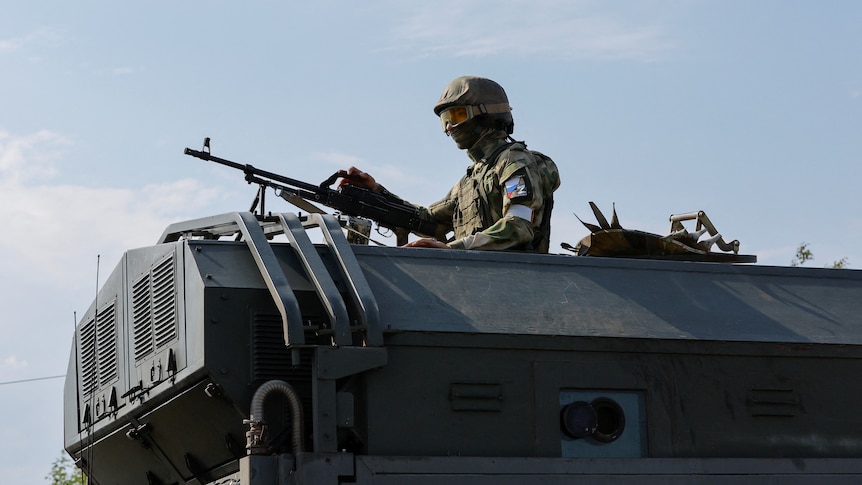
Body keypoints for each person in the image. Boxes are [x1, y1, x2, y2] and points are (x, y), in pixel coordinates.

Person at [339, 76, 560, 252]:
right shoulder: (470, 180)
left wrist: (452, 248)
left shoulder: (513, 162)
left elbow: (519, 227)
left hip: (514, 282)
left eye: (457, 115)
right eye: (445, 120)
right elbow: (428, 221)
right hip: (474, 279)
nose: (449, 128)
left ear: (486, 115)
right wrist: (376, 193)